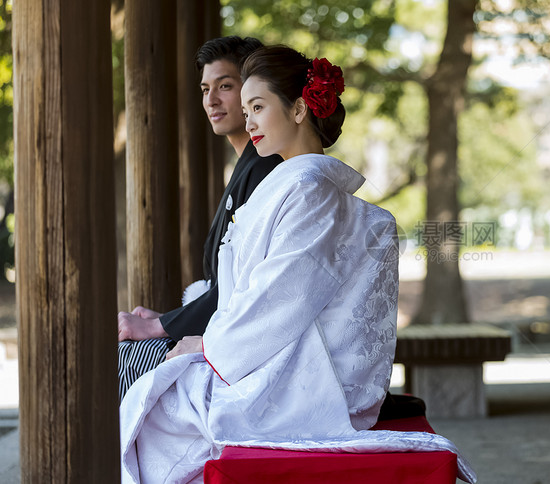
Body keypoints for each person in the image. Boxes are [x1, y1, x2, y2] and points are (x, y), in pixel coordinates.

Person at [120, 45, 475, 484]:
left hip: (304, 385)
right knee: (140, 379)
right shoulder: (295, 184)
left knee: (139, 393)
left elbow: (278, 299)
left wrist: (207, 346)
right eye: (246, 108)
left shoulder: (309, 190)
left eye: (258, 106)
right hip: (270, 359)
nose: (248, 121)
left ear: (300, 109)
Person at [116, 36, 282, 399]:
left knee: (117, 359)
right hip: (227, 336)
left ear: (254, 90)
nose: (211, 99)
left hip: (248, 356)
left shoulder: (266, 168)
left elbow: (242, 289)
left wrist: (159, 326)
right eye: (205, 88)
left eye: (225, 86)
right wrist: (169, 320)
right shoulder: (248, 167)